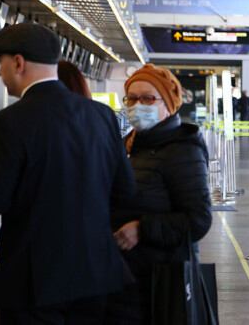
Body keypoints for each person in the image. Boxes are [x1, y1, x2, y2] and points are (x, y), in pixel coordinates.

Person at [0, 23, 135, 324]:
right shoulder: (101, 117)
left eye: (1, 64)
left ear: (18, 63)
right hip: (94, 273)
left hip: (32, 280)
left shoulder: (8, 123)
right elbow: (124, 190)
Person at [104, 64, 213, 324]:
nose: (137, 105)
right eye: (131, 98)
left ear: (169, 104)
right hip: (121, 277)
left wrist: (143, 229)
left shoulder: (183, 150)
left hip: (160, 284)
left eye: (148, 98)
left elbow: (198, 220)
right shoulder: (127, 145)